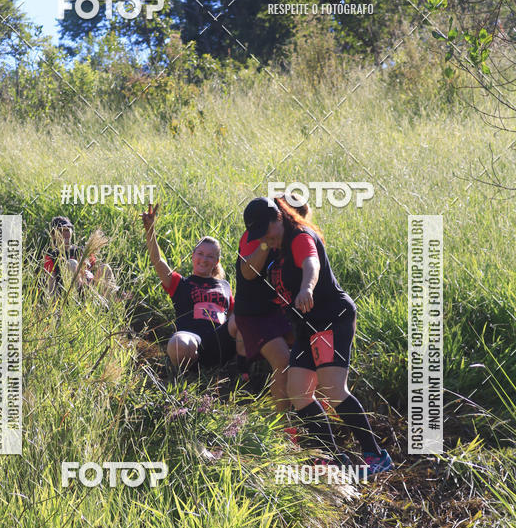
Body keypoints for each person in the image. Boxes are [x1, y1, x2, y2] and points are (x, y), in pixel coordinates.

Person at [251, 195, 393, 478]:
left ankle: (375, 455)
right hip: (306, 326)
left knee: (332, 388)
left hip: (331, 318)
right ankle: (329, 457)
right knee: (298, 391)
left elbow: (311, 265)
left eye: (266, 231)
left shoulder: (300, 236)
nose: (265, 239)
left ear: (278, 218)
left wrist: (307, 289)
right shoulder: (276, 249)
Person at [142, 202, 237, 371]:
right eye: (200, 254)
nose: (204, 259)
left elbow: (234, 318)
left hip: (220, 342)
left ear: (216, 262)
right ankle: (189, 371)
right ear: (193, 256)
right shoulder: (180, 284)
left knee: (244, 317)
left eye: (210, 256)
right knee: (177, 343)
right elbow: (158, 261)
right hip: (191, 339)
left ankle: (242, 368)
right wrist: (150, 231)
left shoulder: (225, 286)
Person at [235, 197, 294, 411]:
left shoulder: (291, 232)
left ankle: (313, 411)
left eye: (264, 228)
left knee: (307, 351)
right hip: (252, 314)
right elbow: (248, 273)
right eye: (256, 230)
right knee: (283, 361)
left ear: (278, 218)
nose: (260, 233)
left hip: (278, 310)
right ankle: (282, 427)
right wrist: (265, 243)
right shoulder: (255, 238)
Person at [43, 216, 118, 302]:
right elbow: (51, 285)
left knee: (105, 268)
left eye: (67, 230)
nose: (65, 234)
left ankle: (110, 306)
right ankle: (78, 301)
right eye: (61, 231)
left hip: (90, 290)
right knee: (72, 263)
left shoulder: (81, 251)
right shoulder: (51, 257)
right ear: (53, 235)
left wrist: (88, 273)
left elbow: (95, 269)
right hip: (69, 295)